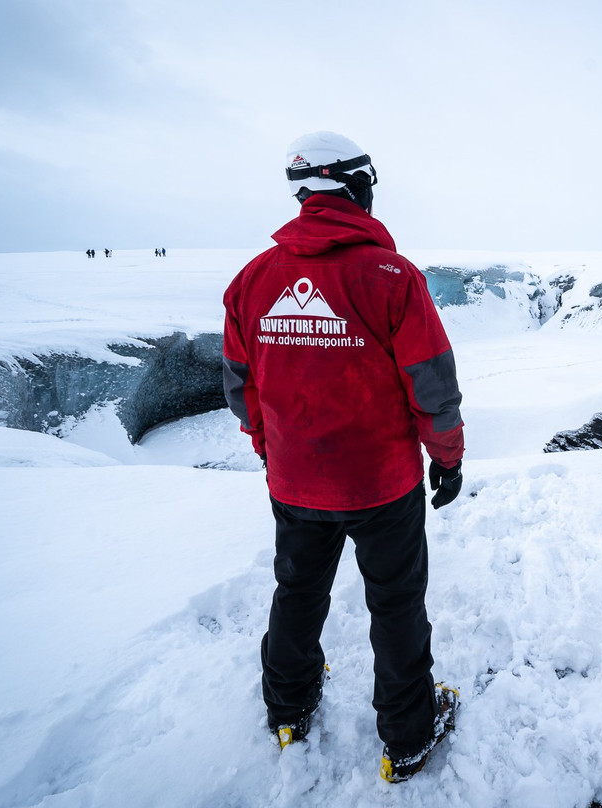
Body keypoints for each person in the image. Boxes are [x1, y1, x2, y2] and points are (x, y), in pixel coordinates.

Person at [221, 131, 464, 783]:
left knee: (298, 591)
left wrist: (271, 450)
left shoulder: (252, 281)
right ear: (353, 187)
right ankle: (408, 738)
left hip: (295, 481)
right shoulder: (390, 277)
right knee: (396, 604)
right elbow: (430, 382)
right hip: (381, 486)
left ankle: (288, 710)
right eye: (370, 182)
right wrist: (447, 456)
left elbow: (240, 385)